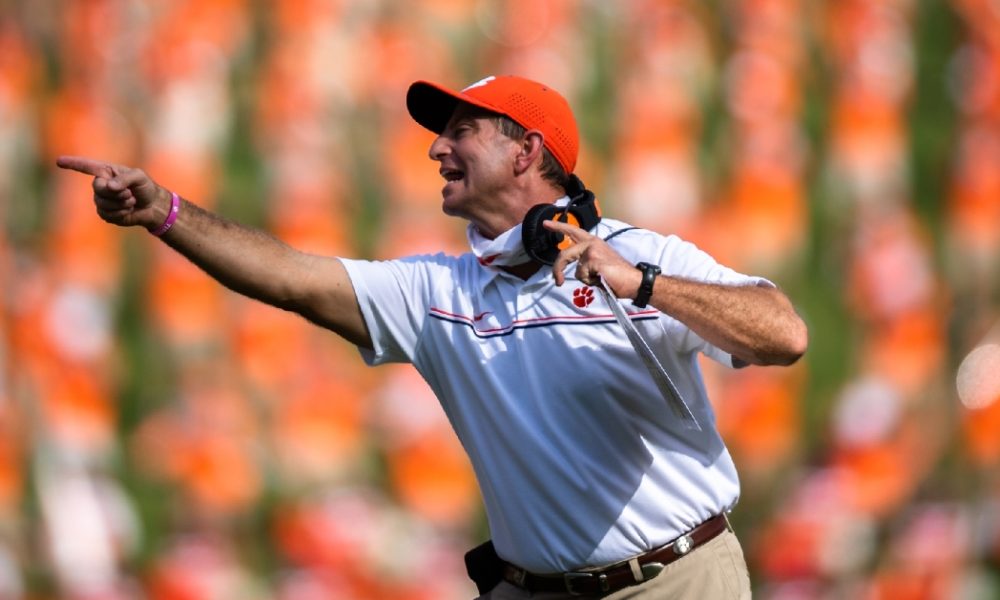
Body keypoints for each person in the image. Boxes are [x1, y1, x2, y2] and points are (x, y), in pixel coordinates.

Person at [58, 74, 808, 599]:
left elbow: (784, 334)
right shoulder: (436, 291)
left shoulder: (644, 255)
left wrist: (642, 283)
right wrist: (164, 212)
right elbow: (291, 278)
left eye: (460, 132)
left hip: (676, 582)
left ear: (526, 152)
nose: (435, 149)